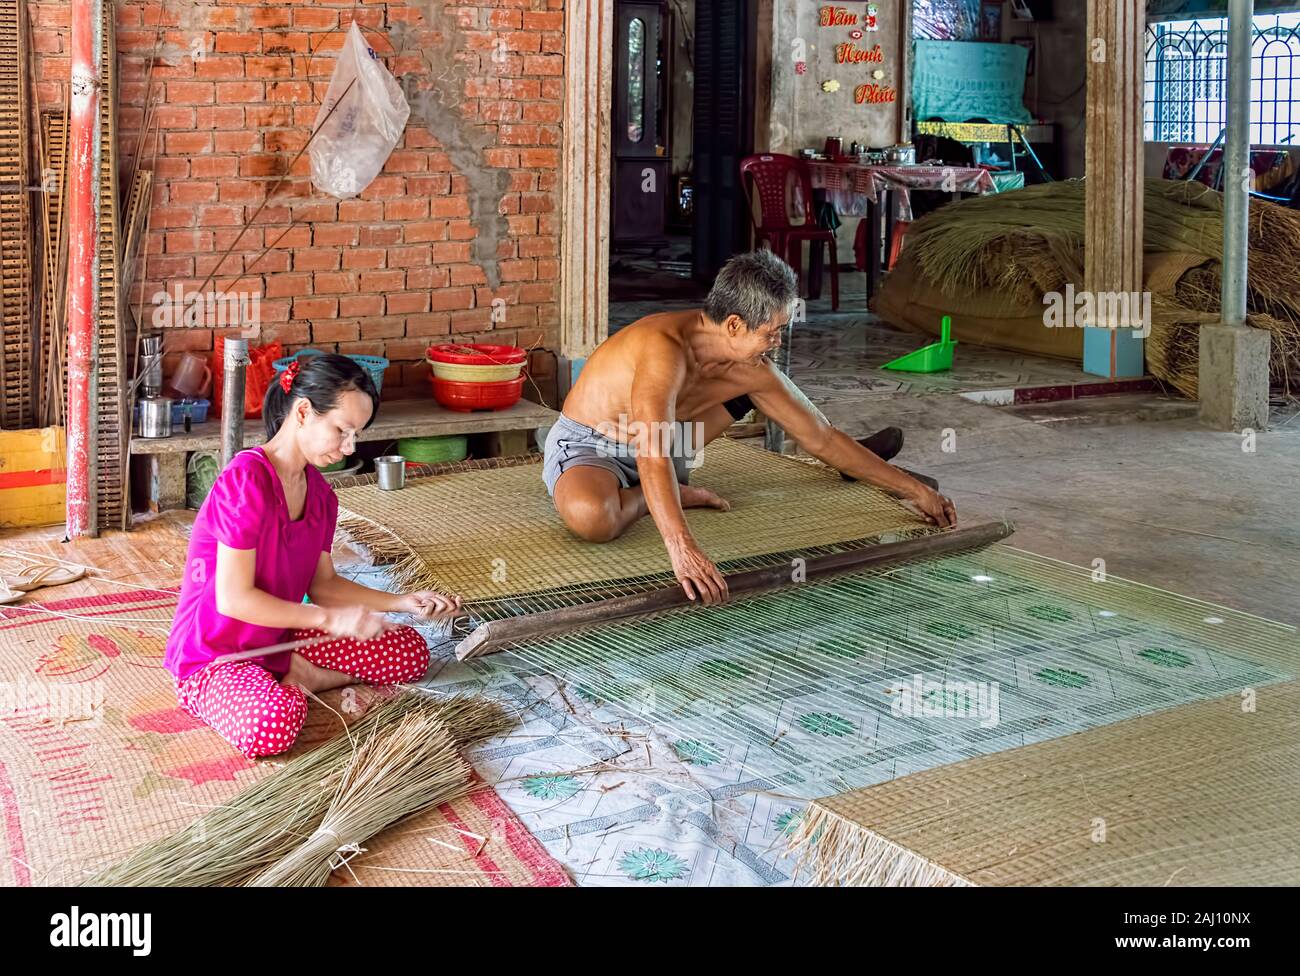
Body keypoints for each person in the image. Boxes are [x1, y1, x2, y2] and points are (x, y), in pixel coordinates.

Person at [542, 249, 957, 606]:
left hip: (669, 447)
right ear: (735, 325)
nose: (778, 342)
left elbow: (821, 436)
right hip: (596, 446)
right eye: (772, 333)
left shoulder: (751, 367)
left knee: (777, 402)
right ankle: (659, 498)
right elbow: (651, 450)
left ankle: (852, 465)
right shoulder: (662, 348)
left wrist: (915, 490)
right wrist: (682, 548)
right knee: (593, 518)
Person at [163, 354, 461, 758]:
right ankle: (295, 680)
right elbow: (234, 599)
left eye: (355, 434)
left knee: (408, 651)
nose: (349, 446)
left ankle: (302, 674)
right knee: (272, 723)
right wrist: (329, 621)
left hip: (283, 638)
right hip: (219, 655)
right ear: (303, 411)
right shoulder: (245, 481)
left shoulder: (320, 495)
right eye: (341, 430)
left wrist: (403, 603)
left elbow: (324, 585)